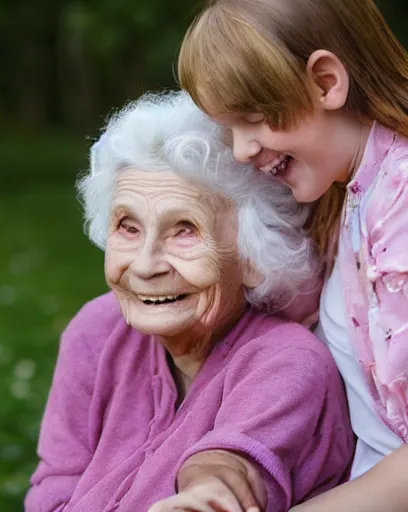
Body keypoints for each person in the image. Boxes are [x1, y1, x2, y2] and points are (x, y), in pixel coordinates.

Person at [24, 91, 353, 512]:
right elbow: (56, 485)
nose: (146, 265)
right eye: (128, 226)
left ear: (254, 254)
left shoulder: (287, 361)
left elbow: (231, 464)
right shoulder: (95, 331)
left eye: (184, 230)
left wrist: (207, 494)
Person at [177, 0, 408, 510]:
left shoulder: (401, 206)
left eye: (253, 119)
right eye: (228, 129)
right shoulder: (352, 194)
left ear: (327, 82)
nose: (241, 150)